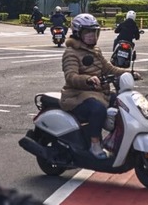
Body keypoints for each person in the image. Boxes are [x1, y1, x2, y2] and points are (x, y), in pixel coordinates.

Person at [60, 14, 140, 159]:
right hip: (77, 95)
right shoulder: (71, 53)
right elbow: (71, 77)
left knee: (124, 104)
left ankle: (116, 140)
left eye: (94, 32)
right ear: (78, 34)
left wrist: (128, 73)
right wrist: (88, 79)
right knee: (98, 110)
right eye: (87, 32)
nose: (92, 36)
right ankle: (94, 144)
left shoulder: (95, 51)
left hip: (98, 93)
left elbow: (109, 68)